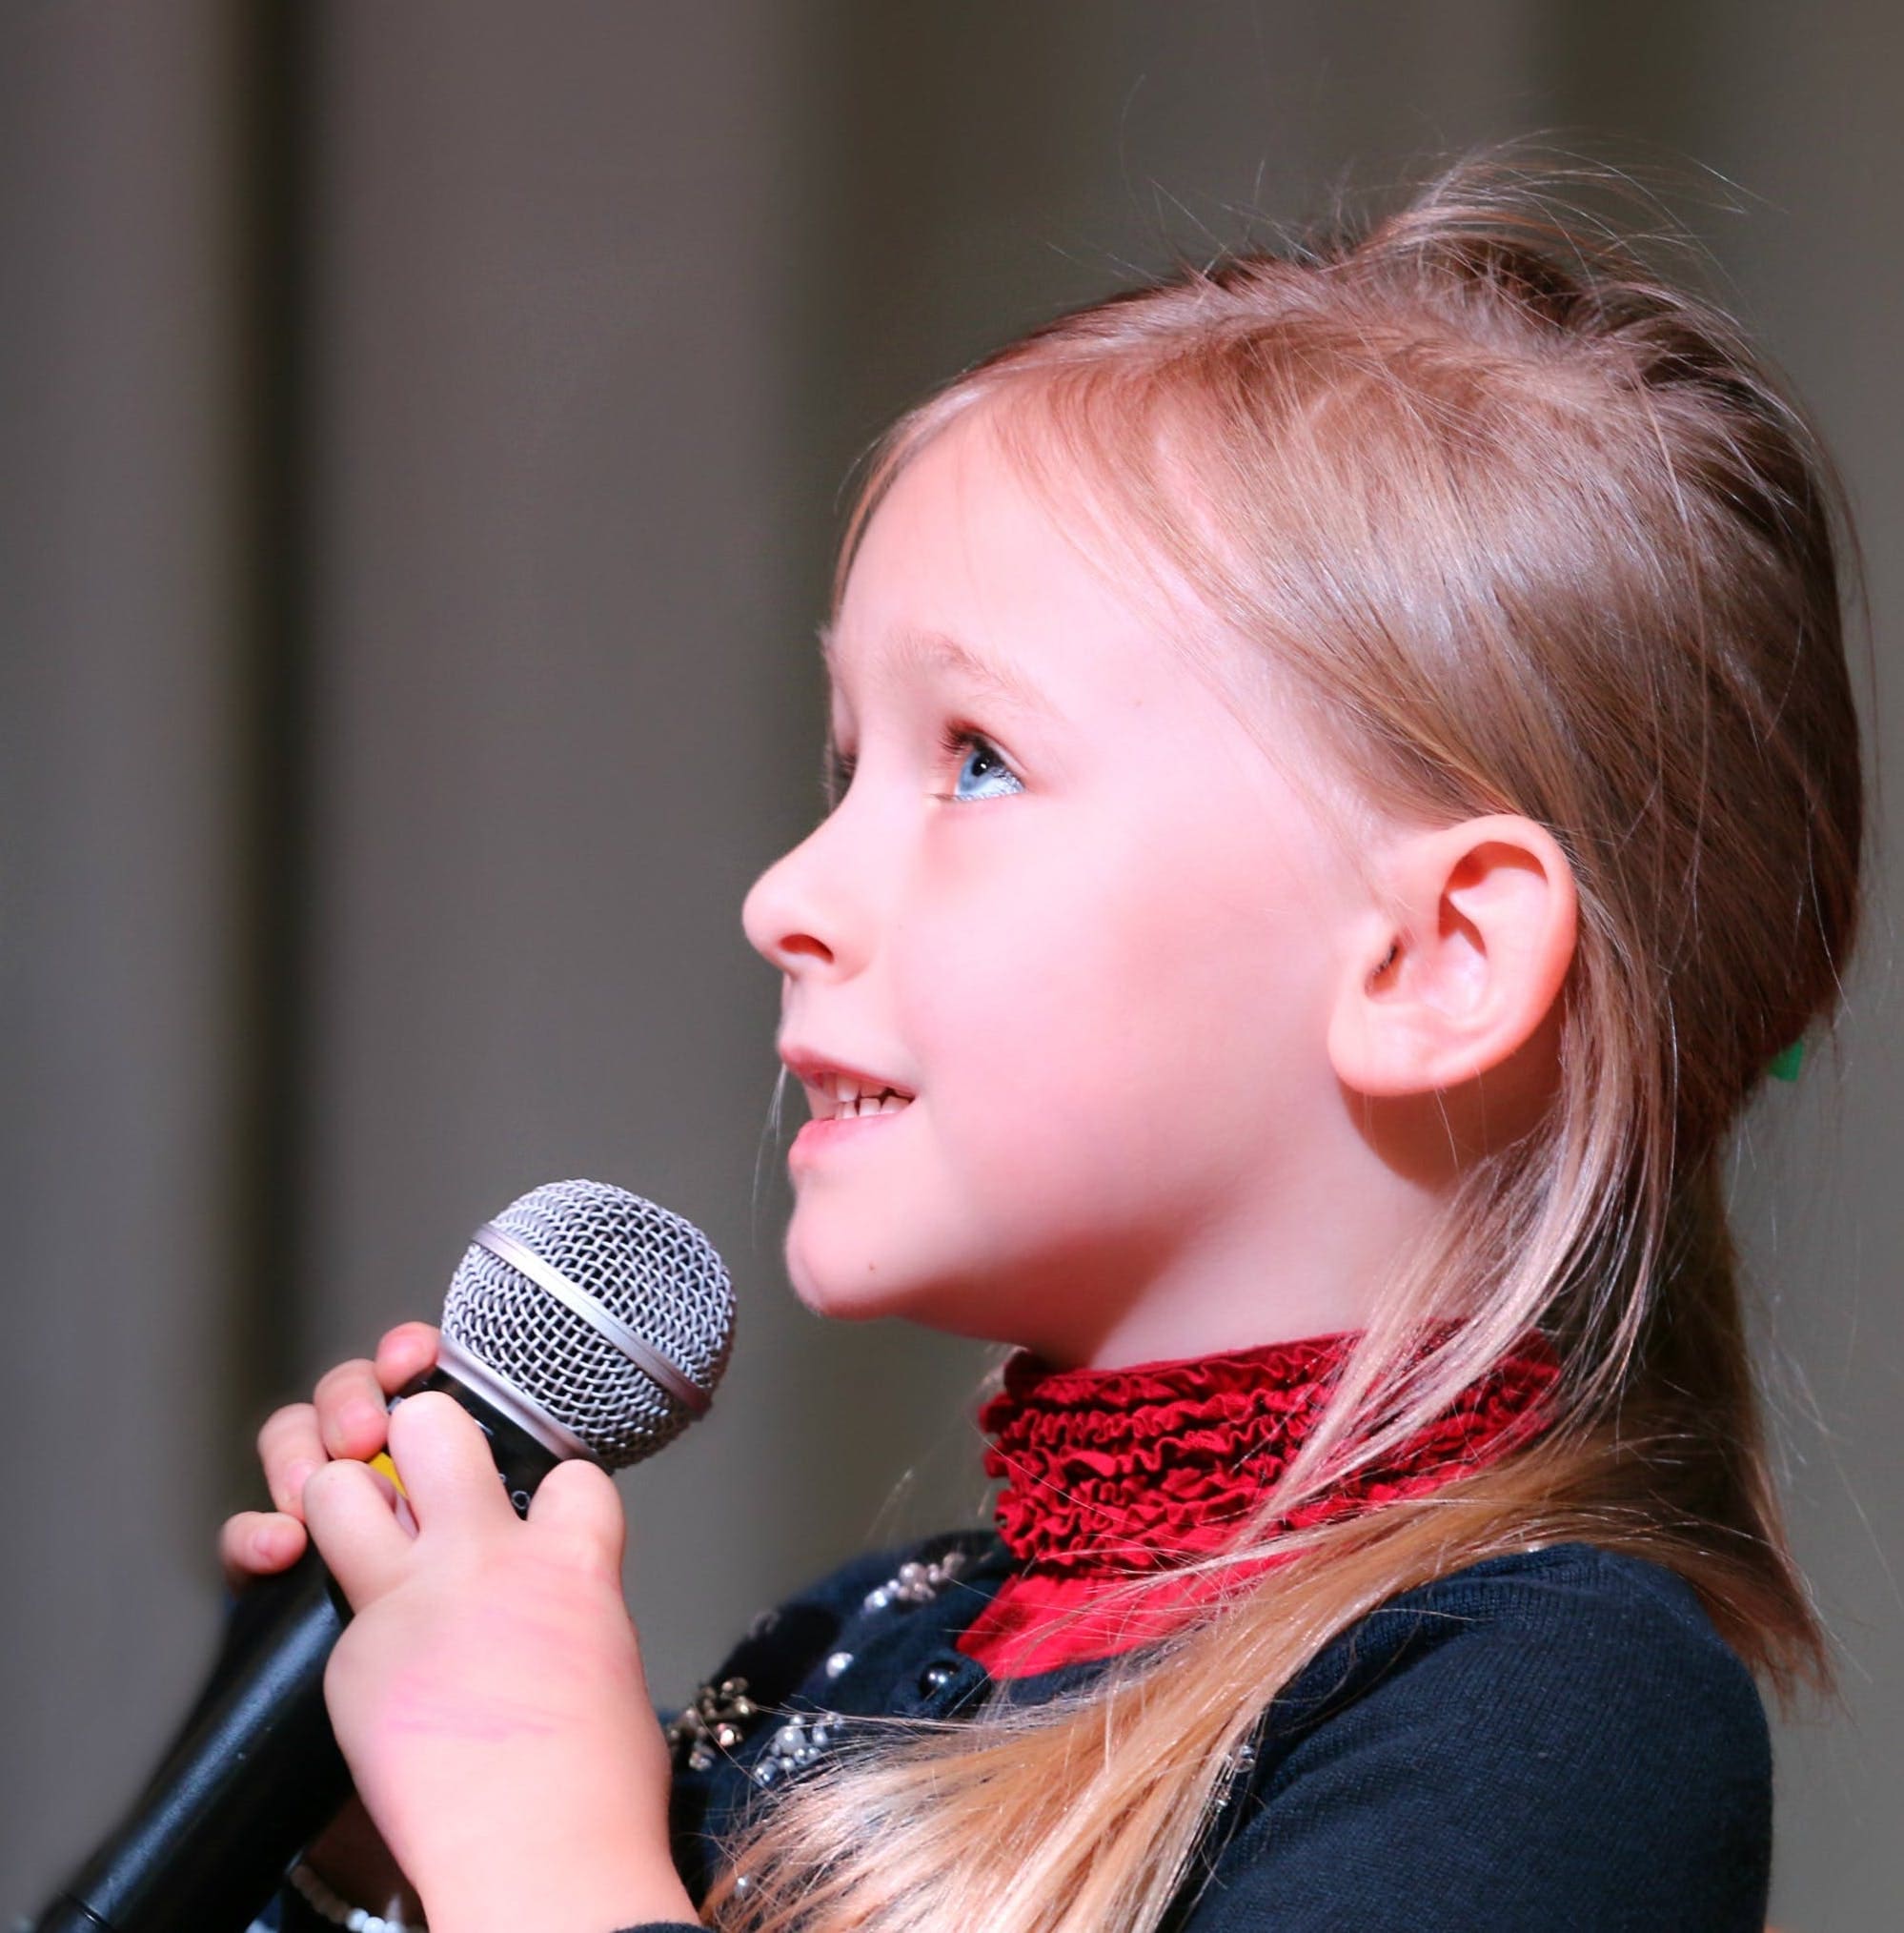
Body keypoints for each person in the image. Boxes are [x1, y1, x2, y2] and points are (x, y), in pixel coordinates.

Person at [225, 153, 1866, 1933]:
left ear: (1434, 954)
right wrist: (383, 1872)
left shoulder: (1541, 1704)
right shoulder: (840, 1650)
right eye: (846, 766)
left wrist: (541, 1856)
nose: (785, 892)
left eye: (977, 761)